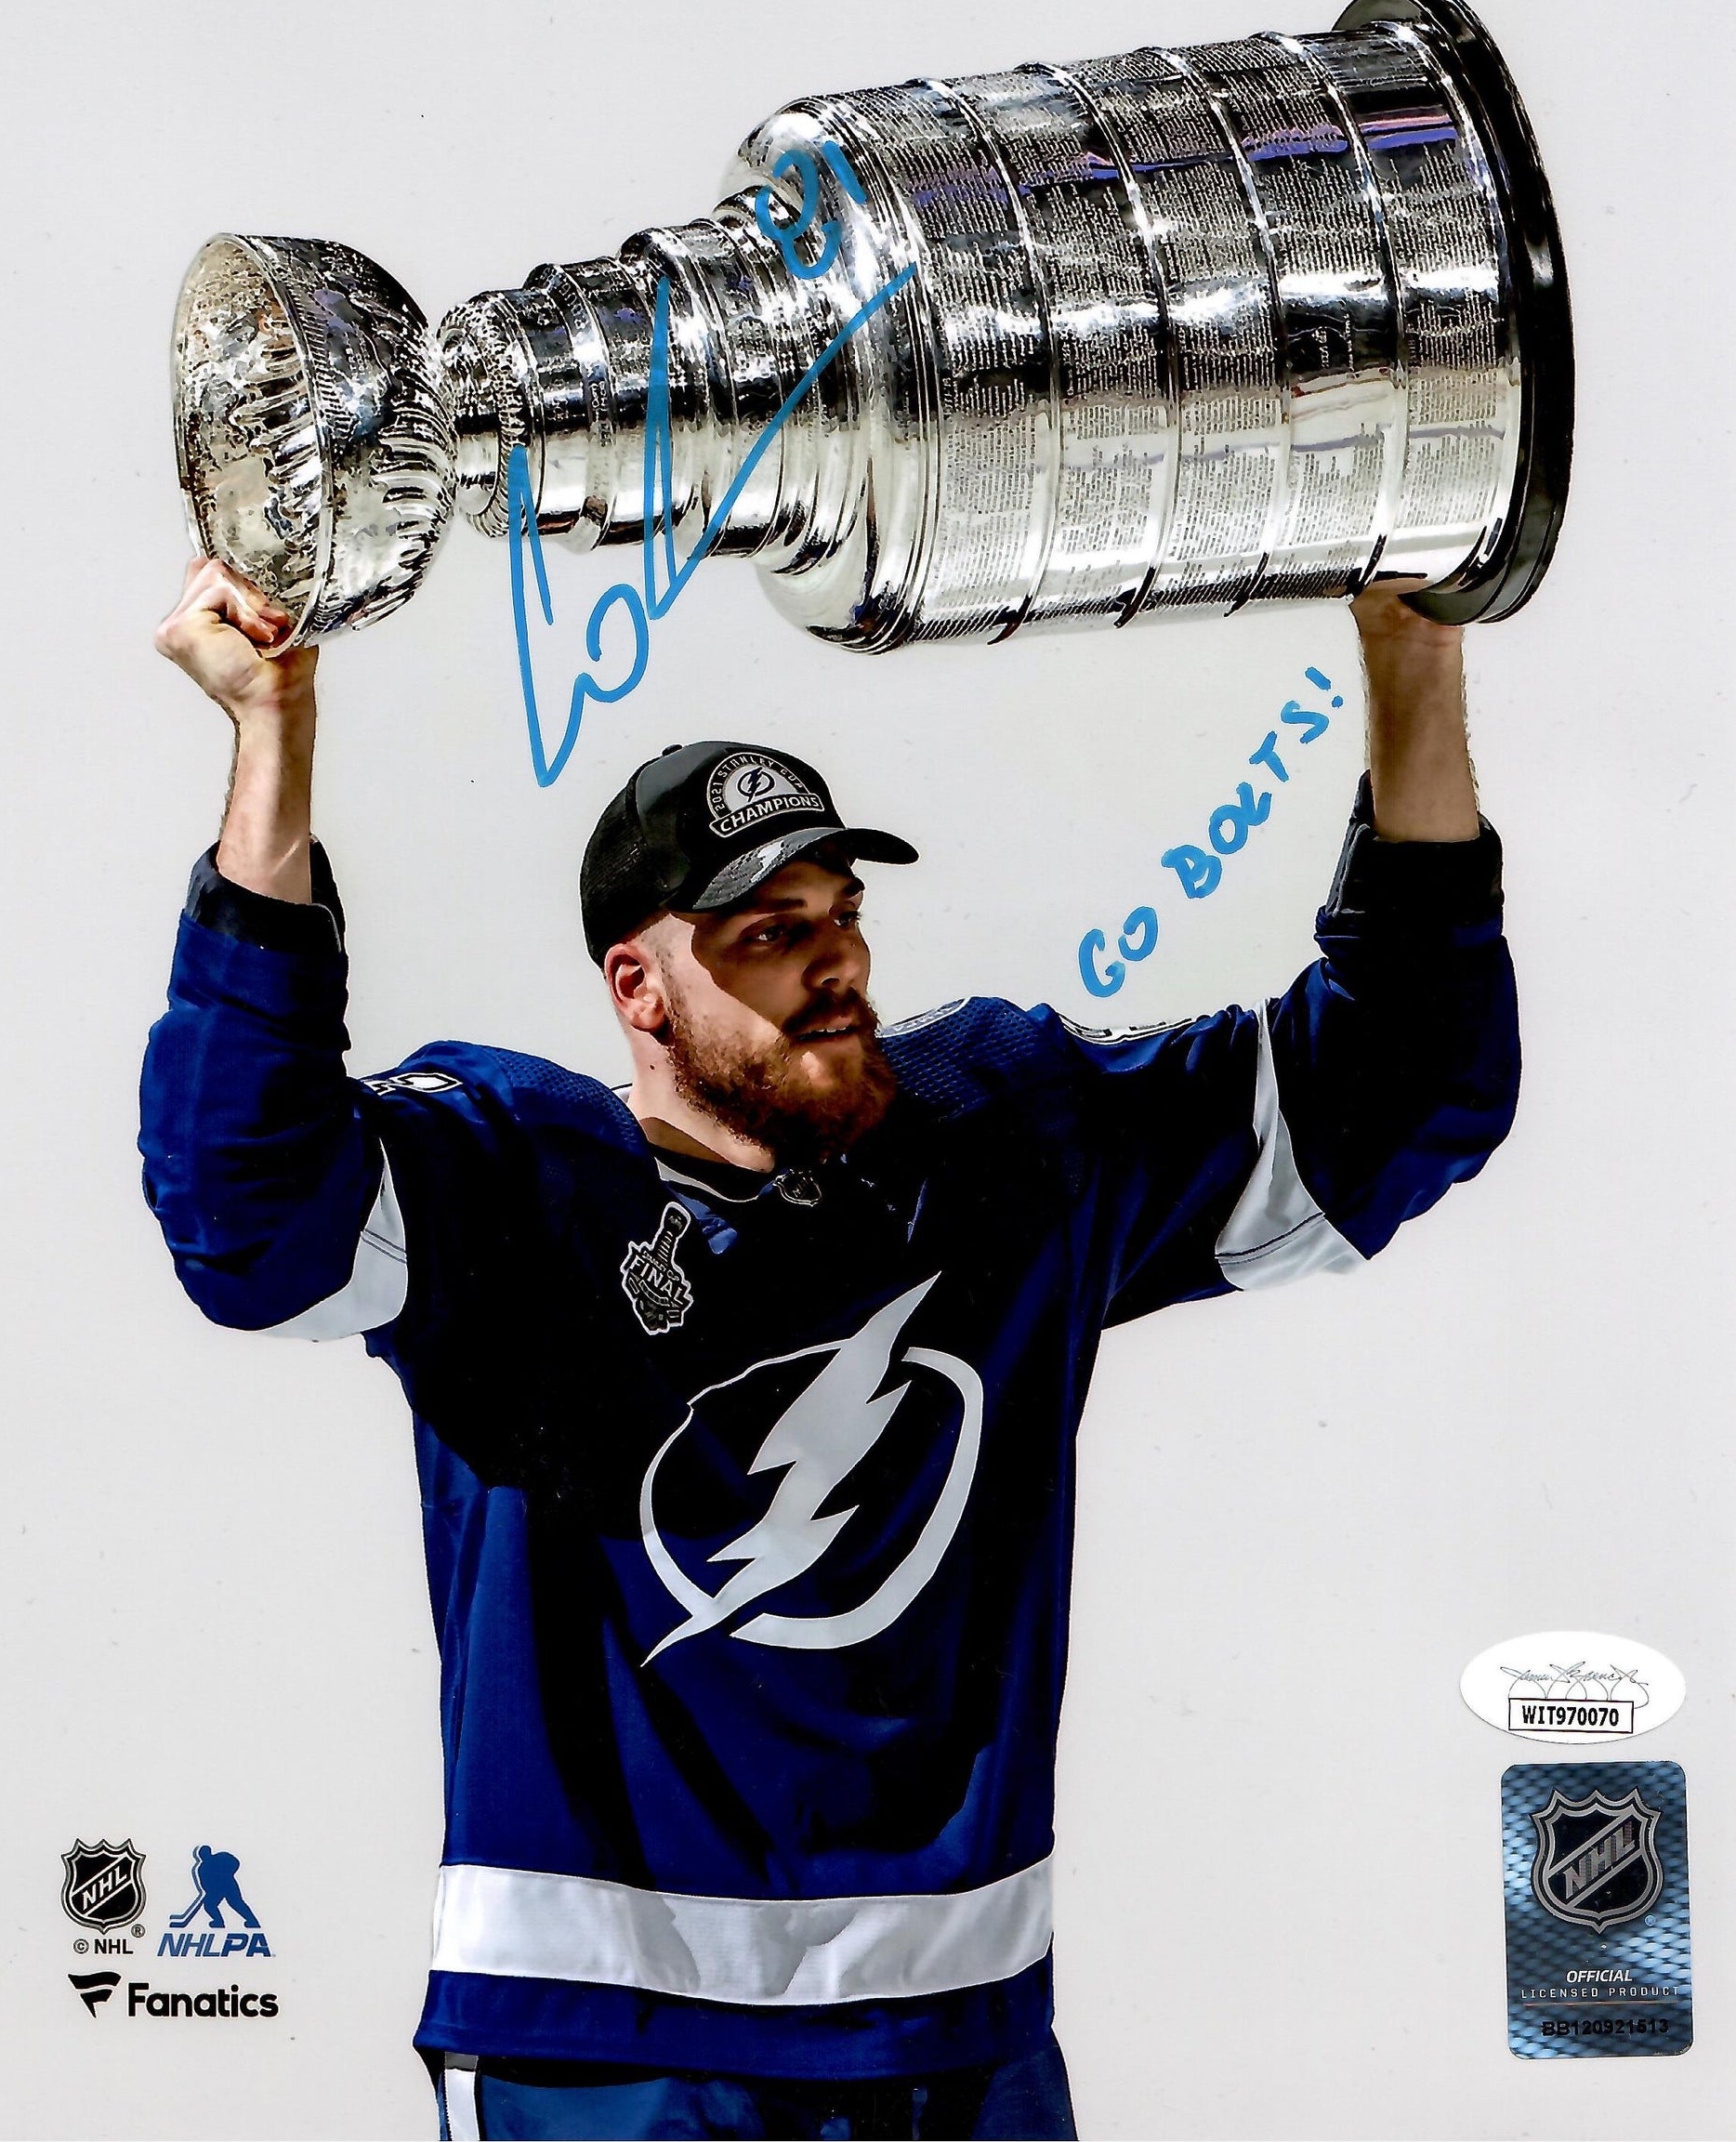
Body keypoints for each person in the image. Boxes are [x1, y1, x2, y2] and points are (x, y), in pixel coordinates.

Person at [139, 557, 1518, 2142]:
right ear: (638, 986)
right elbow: (241, 1212)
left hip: (955, 2046)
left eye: (844, 915)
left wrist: (1411, 646)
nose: (836, 960)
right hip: (605, 2061)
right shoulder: (515, 1189)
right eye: (768, 931)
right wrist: (272, 743)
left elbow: (1406, 1085)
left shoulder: (997, 1141)